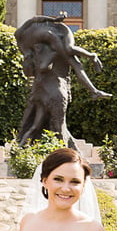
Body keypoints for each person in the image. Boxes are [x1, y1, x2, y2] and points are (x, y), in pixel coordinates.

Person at [15, 14, 110, 148]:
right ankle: (21, 148)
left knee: (69, 51)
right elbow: (41, 68)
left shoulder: (20, 37)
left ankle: (92, 58)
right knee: (36, 125)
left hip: (61, 32)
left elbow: (34, 19)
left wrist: (52, 20)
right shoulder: (41, 52)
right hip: (54, 38)